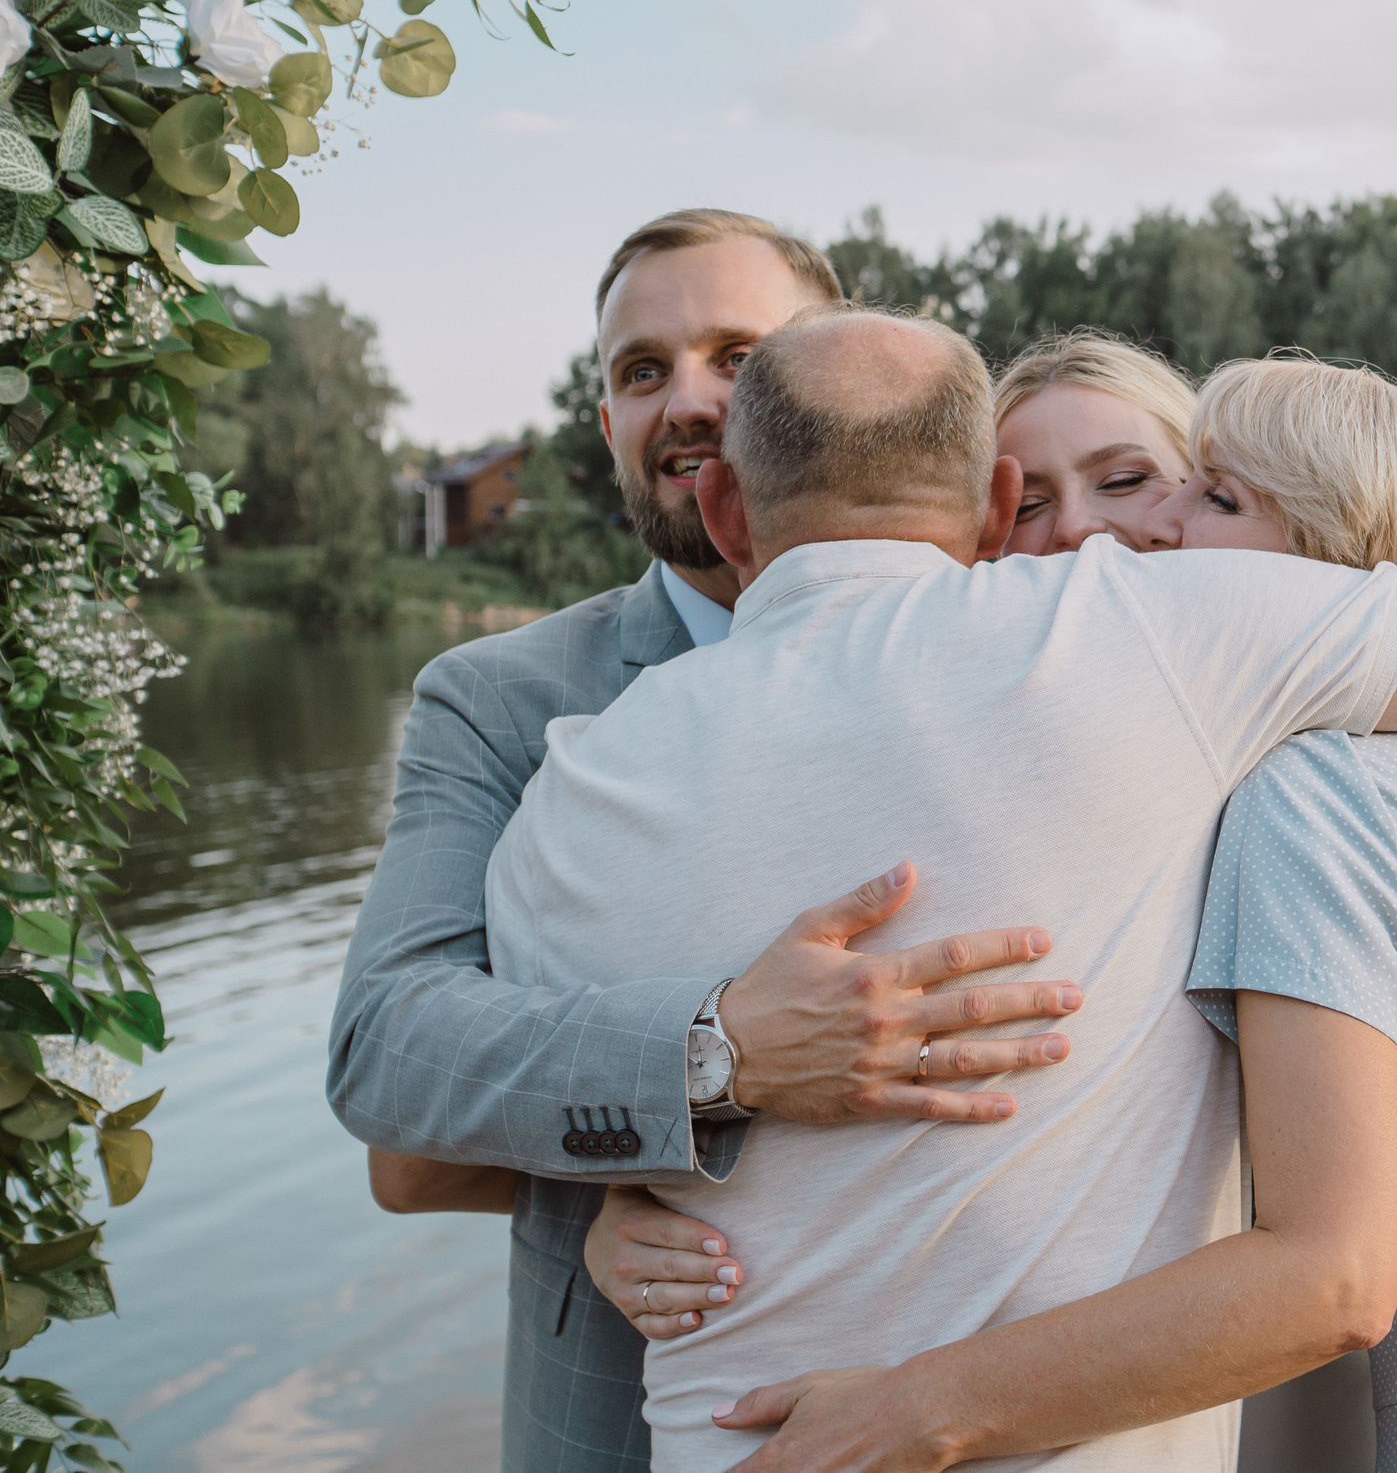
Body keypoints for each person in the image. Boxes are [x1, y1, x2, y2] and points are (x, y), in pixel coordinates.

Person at [476, 304, 1397, 1472]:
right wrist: (628, 1196)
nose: (1084, 541)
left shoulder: (571, 785)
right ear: (986, 514)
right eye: (1035, 499)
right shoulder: (1129, 643)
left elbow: (500, 1072)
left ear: (724, 511)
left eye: (1149, 485)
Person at [328, 212, 1083, 1473]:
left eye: (740, 356)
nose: (687, 399)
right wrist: (703, 1067)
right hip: (630, 1413)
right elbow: (396, 1097)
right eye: (640, 371)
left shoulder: (1038, 652)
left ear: (833, 381)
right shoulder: (506, 701)